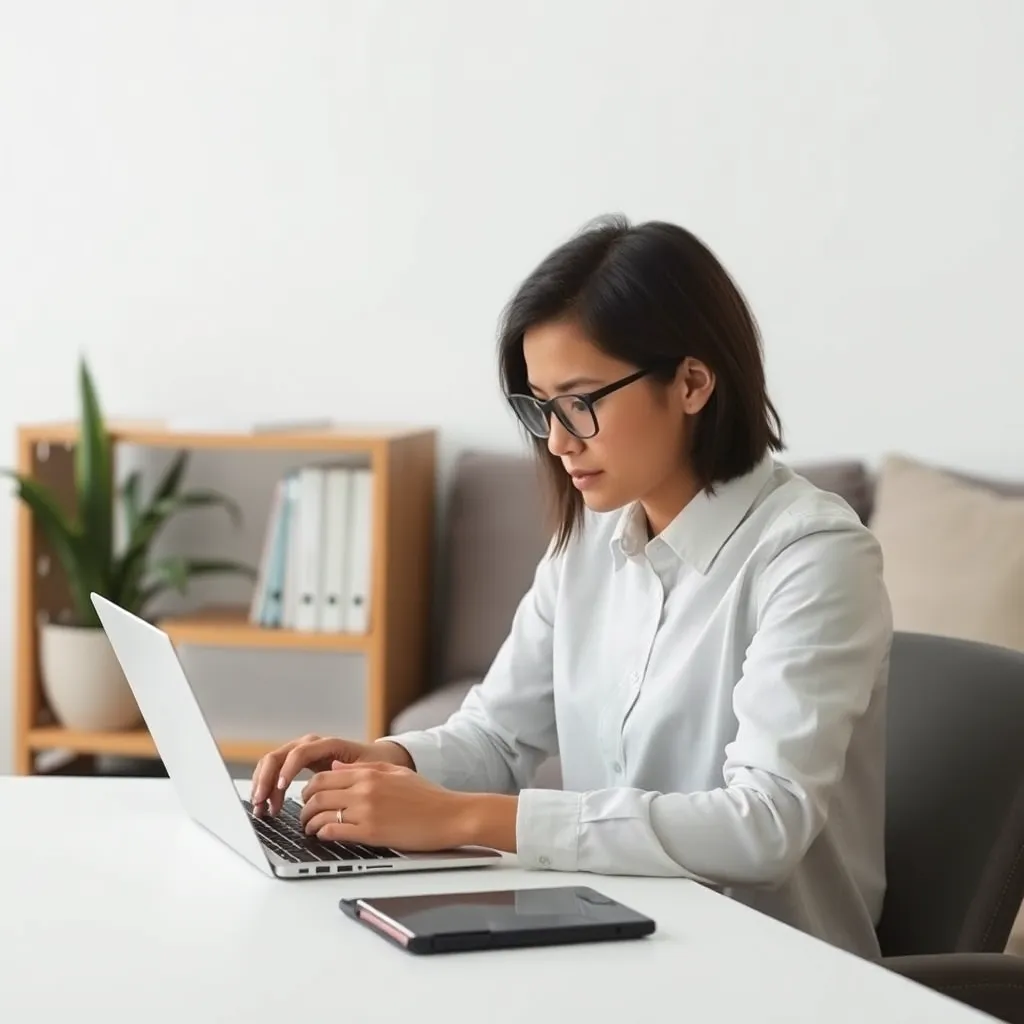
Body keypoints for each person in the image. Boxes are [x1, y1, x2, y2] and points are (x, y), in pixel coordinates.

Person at [250, 215, 892, 959]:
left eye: (580, 401)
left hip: (774, 972)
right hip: (608, 939)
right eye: (540, 407)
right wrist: (389, 762)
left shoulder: (814, 556)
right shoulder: (590, 541)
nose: (556, 442)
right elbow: (497, 733)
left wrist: (463, 819)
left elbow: (764, 824)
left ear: (691, 382)